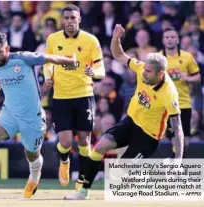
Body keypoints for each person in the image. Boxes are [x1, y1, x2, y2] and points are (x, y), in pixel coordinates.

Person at [65, 24, 184, 200]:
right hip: (130, 122)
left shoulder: (169, 93)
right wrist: (116, 38)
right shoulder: (141, 68)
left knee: (120, 172)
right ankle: (83, 192)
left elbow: (178, 127)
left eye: (149, 72)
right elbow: (118, 54)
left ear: (160, 74)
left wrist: (179, 159)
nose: (143, 74)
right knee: (100, 147)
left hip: (148, 137)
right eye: (144, 69)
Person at [0, 32, 77, 199]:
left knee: (31, 154)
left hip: (32, 118)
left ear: (7, 48)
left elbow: (47, 57)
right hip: (9, 113)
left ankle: (34, 177)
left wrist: (69, 60)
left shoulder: (23, 58)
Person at [43, 5, 105, 190]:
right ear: (62, 20)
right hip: (61, 97)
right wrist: (48, 77)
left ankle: (83, 178)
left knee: (85, 141)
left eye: (73, 17)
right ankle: (64, 160)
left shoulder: (90, 40)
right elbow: (48, 63)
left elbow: (101, 70)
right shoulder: (53, 39)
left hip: (84, 94)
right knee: (66, 142)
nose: (70, 21)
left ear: (79, 19)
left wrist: (93, 72)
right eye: (67, 18)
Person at [160, 28, 200, 158]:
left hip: (184, 103)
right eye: (167, 37)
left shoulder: (187, 57)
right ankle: (174, 169)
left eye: (172, 37)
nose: (170, 40)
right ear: (163, 40)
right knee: (176, 139)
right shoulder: (158, 59)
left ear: (177, 40)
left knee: (185, 142)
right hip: (166, 105)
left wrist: (188, 78)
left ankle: (171, 163)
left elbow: (198, 77)